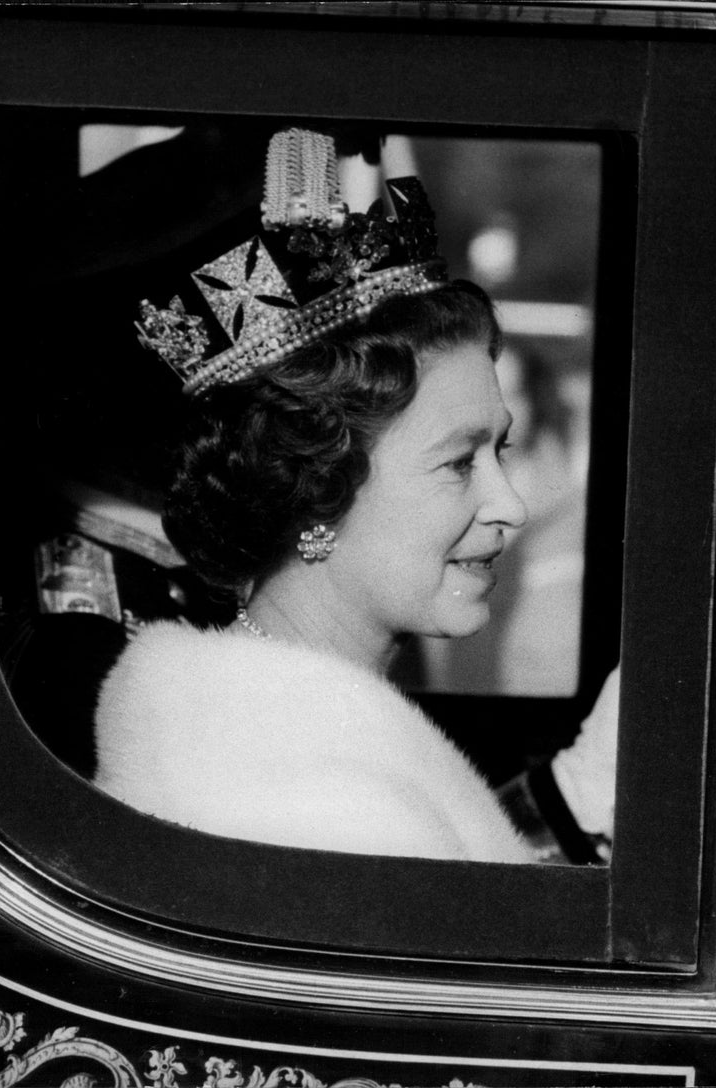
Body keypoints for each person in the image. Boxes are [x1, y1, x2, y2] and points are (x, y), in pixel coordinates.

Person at [94, 128, 617, 863]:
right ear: (316, 497)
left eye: (499, 450)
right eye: (458, 464)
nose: (513, 506)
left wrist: (573, 798)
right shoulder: (312, 807)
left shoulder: (265, 734)